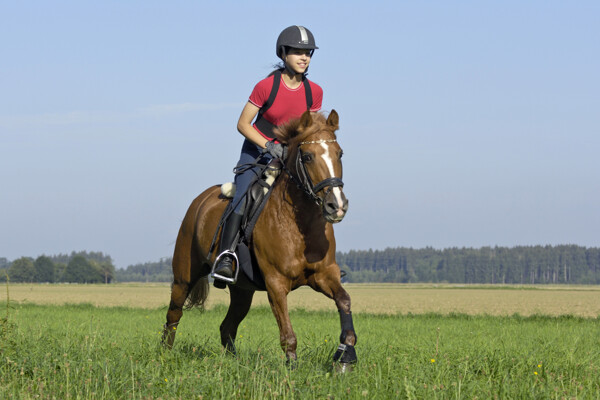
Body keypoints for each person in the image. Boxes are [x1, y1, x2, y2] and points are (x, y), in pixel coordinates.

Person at [212, 25, 323, 285]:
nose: (304, 57)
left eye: (308, 53)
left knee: (315, 197)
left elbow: (311, 132)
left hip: (290, 160)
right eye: (297, 52)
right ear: (284, 54)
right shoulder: (266, 86)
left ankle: (321, 260)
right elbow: (242, 124)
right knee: (241, 198)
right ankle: (226, 258)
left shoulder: (314, 92)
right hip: (256, 156)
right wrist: (268, 145)